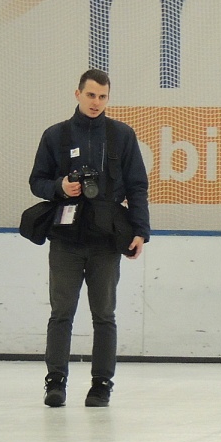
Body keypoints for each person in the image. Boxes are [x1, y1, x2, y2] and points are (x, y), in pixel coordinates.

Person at [29, 68, 150, 408]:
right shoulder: (55, 136)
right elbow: (36, 181)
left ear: (108, 98)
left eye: (103, 96)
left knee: (104, 314)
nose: (96, 102)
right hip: (66, 239)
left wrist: (140, 230)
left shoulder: (122, 135)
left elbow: (138, 185)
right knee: (61, 312)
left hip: (107, 240)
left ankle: (101, 385)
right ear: (77, 94)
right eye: (91, 95)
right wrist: (59, 187)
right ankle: (55, 383)